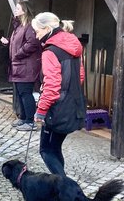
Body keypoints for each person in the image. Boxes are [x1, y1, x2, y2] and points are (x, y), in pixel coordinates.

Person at [31, 12, 86, 177]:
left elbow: (52, 86)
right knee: (55, 148)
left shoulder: (51, 52)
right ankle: (61, 187)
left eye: (37, 31)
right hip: (73, 105)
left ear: (47, 29)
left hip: (57, 109)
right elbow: (80, 76)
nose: (36, 35)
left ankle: (64, 188)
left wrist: (40, 111)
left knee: (46, 150)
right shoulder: (72, 46)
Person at [0, 1, 42, 131]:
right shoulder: (18, 27)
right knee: (20, 93)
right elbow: (18, 43)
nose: (16, 10)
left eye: (18, 8)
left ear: (24, 10)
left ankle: (30, 121)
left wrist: (18, 54)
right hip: (18, 65)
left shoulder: (29, 26)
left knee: (25, 93)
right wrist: (8, 43)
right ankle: (23, 118)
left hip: (26, 66)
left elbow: (32, 43)